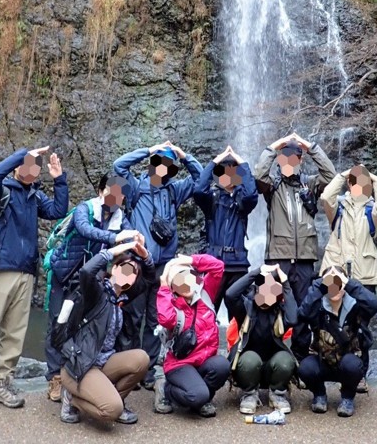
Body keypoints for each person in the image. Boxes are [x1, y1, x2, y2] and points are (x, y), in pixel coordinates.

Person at [0, 146, 69, 416]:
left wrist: (59, 178)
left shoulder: (34, 196)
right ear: (17, 167)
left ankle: (2, 383)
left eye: (37, 166)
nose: (33, 168)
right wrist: (24, 152)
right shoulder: (2, 190)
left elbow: (58, 210)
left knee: (14, 332)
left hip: (25, 271)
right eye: (28, 164)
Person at [113, 140, 202, 388]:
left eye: (167, 164)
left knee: (156, 319)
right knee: (131, 316)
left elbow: (201, 179)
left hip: (164, 266)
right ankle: (127, 366)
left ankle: (149, 371)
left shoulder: (174, 190)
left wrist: (184, 156)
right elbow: (118, 166)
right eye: (158, 163)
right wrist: (149, 150)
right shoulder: (135, 186)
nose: (162, 168)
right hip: (139, 262)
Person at [44, 174, 140, 402]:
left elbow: (129, 243)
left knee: (78, 323)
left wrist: (139, 246)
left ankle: (74, 370)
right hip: (64, 274)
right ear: (101, 191)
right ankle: (55, 376)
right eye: (111, 191)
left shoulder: (119, 218)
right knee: (57, 322)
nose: (115, 197)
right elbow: (86, 230)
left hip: (88, 280)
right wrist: (117, 237)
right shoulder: (84, 209)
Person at [59, 239, 154, 425]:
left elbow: (150, 279)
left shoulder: (122, 298)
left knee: (142, 358)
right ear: (115, 268)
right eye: (125, 269)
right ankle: (73, 399)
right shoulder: (96, 292)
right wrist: (115, 250)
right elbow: (86, 271)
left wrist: (146, 257)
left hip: (104, 361)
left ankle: (110, 400)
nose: (129, 275)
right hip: (81, 365)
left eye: (133, 273)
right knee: (111, 411)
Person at [320, 163, 377, 390]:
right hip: (336, 272)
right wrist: (344, 174)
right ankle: (330, 369)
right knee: (331, 324)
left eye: (363, 184)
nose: (359, 186)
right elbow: (326, 197)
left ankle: (359, 375)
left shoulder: (372, 211)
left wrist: (374, 178)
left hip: (364, 275)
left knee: (361, 328)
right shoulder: (337, 208)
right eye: (355, 182)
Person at [255, 132, 336, 307]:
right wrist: (276, 145)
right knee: (273, 306)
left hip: (305, 259)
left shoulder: (310, 183)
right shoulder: (272, 185)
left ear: (300, 161)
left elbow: (331, 176)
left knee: (303, 309)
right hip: (278, 258)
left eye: (294, 159)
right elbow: (259, 175)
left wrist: (310, 147)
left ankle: (302, 336)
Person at [296, 265, 377, 417]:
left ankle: (347, 398)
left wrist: (349, 283)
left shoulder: (356, 305)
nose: (335, 287)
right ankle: (319, 394)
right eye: (330, 283)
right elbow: (301, 313)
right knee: (305, 368)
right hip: (323, 361)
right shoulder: (317, 306)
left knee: (352, 365)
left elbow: (375, 305)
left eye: (338, 283)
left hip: (348, 363)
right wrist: (320, 285)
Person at [154, 253, 230, 418]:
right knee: (198, 395)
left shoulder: (205, 293)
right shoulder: (172, 304)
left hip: (204, 360)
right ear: (173, 287)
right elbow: (165, 319)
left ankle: (201, 400)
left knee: (223, 366)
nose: (186, 283)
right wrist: (164, 285)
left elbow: (218, 267)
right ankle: (166, 390)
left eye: (189, 277)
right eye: (179, 281)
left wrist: (190, 260)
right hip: (180, 364)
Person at [193, 145, 259, 316]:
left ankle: (238, 343)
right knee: (207, 311)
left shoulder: (242, 201)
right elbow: (199, 189)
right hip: (214, 265)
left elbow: (252, 194)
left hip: (238, 266)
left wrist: (242, 162)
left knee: (239, 316)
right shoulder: (211, 199)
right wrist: (216, 160)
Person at [225, 263, 297, 414]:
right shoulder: (246, 307)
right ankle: (249, 394)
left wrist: (285, 284)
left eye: (273, 290)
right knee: (250, 359)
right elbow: (230, 294)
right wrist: (256, 272)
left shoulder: (279, 310)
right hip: (248, 368)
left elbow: (293, 318)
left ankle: (277, 394)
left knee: (286, 360)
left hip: (272, 368)